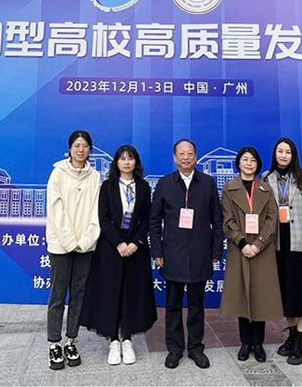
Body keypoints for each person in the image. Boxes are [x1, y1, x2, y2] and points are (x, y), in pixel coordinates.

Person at [149, 139, 223, 369]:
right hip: (172, 253)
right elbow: (154, 220)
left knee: (196, 306)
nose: (185, 157)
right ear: (174, 158)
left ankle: (195, 348)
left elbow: (217, 220)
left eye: (190, 153)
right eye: (181, 154)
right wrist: (157, 250)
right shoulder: (165, 184)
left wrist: (215, 251)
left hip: (200, 253)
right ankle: (174, 349)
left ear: (196, 157)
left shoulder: (207, 183)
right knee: (172, 305)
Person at [80, 145, 157, 366]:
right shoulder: (108, 187)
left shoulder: (143, 187)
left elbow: (147, 219)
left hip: (136, 250)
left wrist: (135, 243)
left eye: (130, 158)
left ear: (136, 162)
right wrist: (119, 243)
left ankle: (127, 339)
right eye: (122, 159)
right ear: (116, 163)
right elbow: (103, 218)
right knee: (111, 293)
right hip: (111, 249)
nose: (126, 162)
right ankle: (113, 340)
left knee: (132, 293)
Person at [219, 147, 283, 362]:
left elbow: (271, 220)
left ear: (258, 165)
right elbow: (227, 219)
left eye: (253, 160)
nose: (249, 163)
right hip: (240, 249)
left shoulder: (265, 189)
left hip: (262, 250)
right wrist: (243, 243)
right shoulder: (229, 188)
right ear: (238, 163)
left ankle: (258, 343)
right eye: (245, 159)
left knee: (260, 296)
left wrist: (258, 244)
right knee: (242, 296)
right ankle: (245, 343)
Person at [45, 130, 101, 370]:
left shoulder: (95, 177)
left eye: (85, 145)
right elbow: (55, 211)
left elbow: (97, 212)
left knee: (78, 294)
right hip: (61, 246)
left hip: (85, 246)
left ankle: (71, 341)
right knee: (58, 295)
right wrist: (70, 242)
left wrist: (85, 240)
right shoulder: (58, 173)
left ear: (90, 149)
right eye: (77, 145)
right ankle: (54, 344)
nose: (81, 149)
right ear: (69, 148)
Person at [262, 137, 302, 365]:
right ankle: (292, 336)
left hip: (298, 244)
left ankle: (300, 343)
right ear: (274, 154)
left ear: (293, 155)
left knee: (301, 294)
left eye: (288, 152)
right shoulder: (267, 178)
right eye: (280, 151)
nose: (283, 155)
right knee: (286, 294)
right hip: (276, 244)